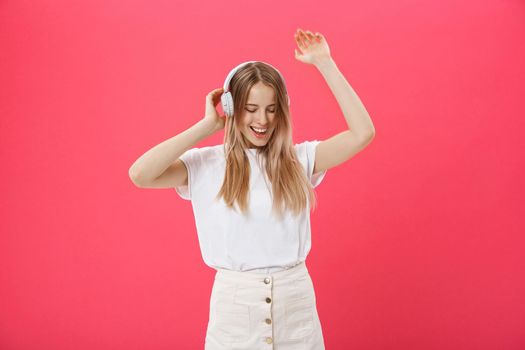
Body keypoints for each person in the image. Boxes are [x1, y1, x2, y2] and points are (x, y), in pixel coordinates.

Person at [129, 28, 375, 350]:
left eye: (272, 109)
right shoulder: (206, 164)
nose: (263, 120)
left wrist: (325, 63)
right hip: (234, 309)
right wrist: (208, 125)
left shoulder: (299, 159)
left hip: (296, 303)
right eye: (251, 108)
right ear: (231, 107)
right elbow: (140, 174)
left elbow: (362, 133)